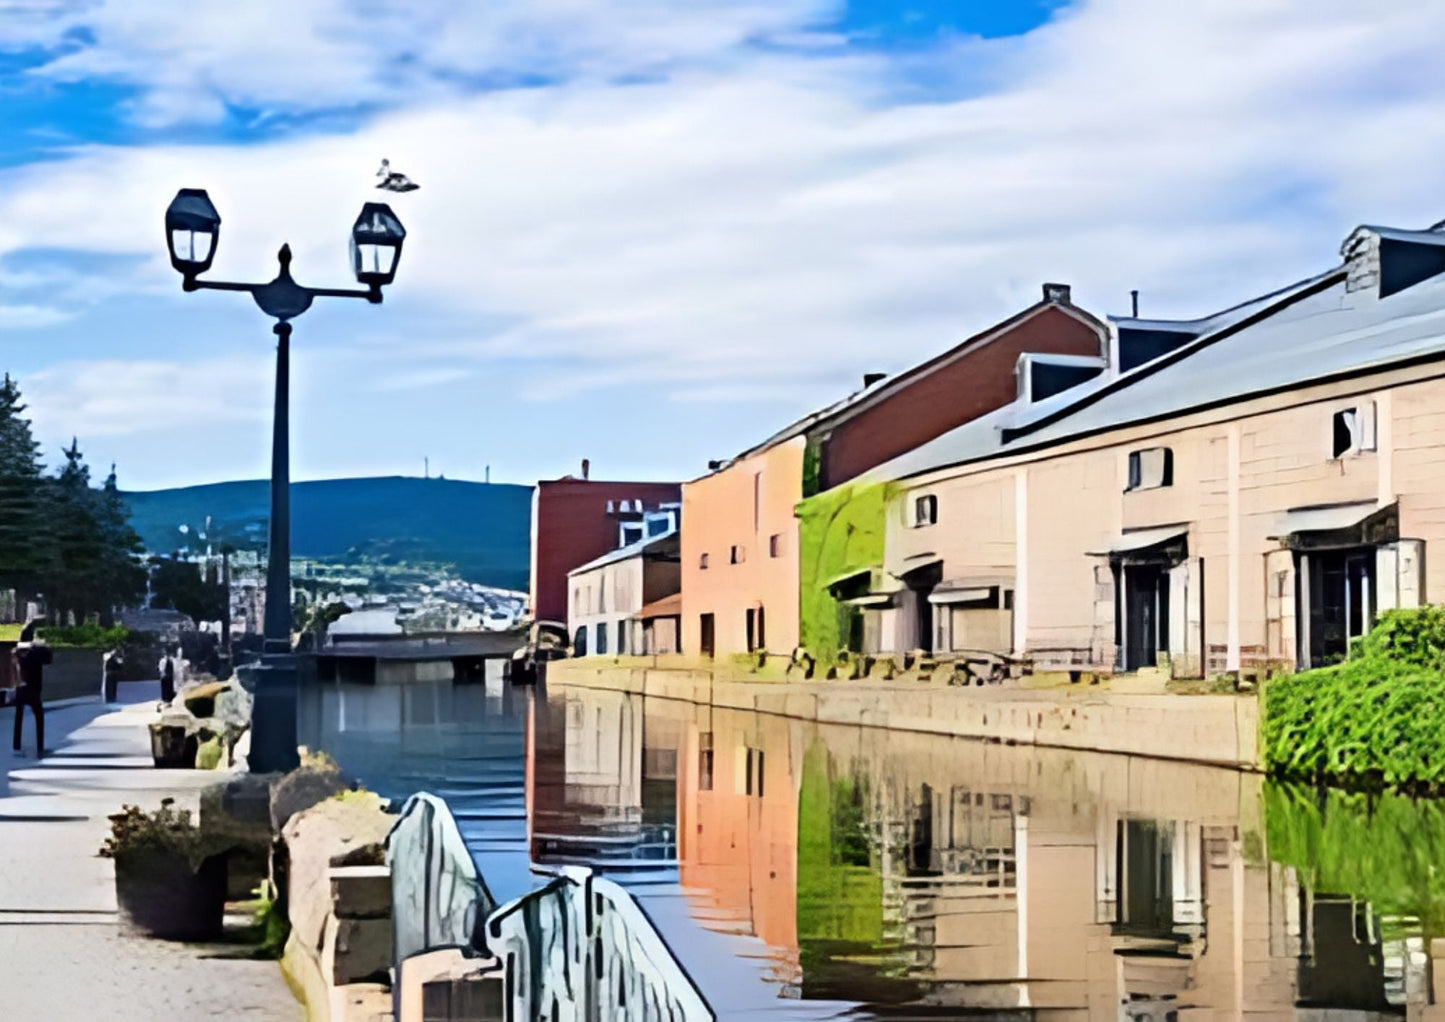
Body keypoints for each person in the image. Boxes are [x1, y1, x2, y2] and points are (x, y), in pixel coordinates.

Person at [12, 621, 52, 758]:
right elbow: (48, 659)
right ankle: (40, 746)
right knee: (39, 718)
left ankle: (16, 745)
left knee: (19, 717)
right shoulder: (36, 650)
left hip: (21, 687)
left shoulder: (18, 650)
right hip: (34, 689)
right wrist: (43, 644)